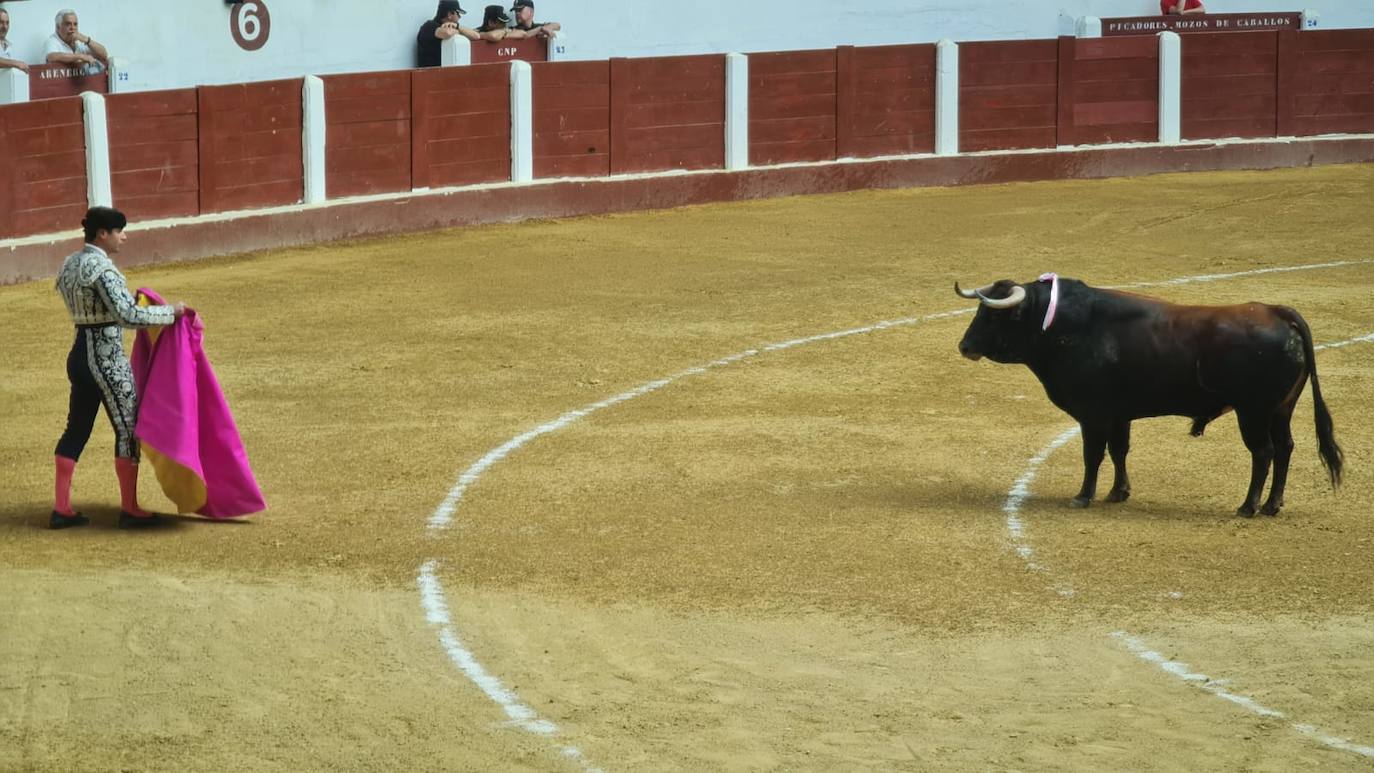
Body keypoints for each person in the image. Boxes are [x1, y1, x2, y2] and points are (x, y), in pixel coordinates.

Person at [52, 206, 190, 530]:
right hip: (107, 360)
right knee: (128, 429)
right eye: (119, 231)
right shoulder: (102, 269)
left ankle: (62, 508)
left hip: (79, 356)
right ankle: (130, 509)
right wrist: (172, 313)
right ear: (103, 234)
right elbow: (127, 315)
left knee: (76, 429)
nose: (123, 236)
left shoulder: (70, 265)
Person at [417, 0, 479, 68]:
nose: (459, 17)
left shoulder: (454, 27)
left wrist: (457, 27)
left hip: (444, 72)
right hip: (429, 73)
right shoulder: (429, 26)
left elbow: (476, 36)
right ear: (449, 14)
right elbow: (447, 33)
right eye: (458, 13)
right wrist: (458, 31)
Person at [44, 8, 107, 75]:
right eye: (68, 24)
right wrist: (81, 56)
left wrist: (87, 40)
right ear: (58, 26)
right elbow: (52, 57)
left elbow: (103, 54)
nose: (72, 28)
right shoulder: (52, 41)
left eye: (75, 24)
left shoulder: (79, 42)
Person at [0, 8, 30, 73]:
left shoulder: (10, 45)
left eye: (7, 23)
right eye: (1, 22)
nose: (5, 27)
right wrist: (15, 63)